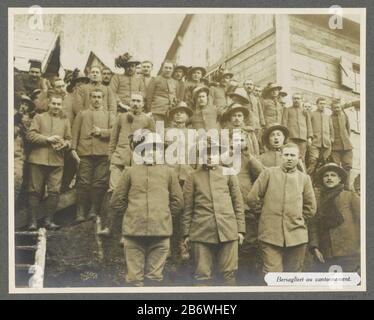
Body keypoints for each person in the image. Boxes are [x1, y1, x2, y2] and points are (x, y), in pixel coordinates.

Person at [110, 132, 184, 287]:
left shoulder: (169, 173)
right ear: (141, 152)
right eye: (147, 149)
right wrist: (132, 214)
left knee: (155, 278)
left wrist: (164, 215)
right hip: (133, 232)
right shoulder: (129, 172)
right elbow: (117, 201)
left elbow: (177, 202)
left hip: (161, 232)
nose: (151, 152)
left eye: (156, 148)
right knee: (134, 279)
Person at [181, 139, 245, 286]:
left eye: (214, 153)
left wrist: (240, 229)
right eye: (206, 153)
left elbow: (238, 203)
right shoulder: (193, 176)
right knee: (202, 275)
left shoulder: (229, 174)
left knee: (229, 274)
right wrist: (186, 233)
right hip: (201, 231)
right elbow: (187, 208)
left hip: (228, 229)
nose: (210, 157)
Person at [248, 143, 316, 274]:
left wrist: (297, 217)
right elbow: (252, 198)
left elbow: (311, 207)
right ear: (281, 156)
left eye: (292, 155)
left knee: (293, 276)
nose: (289, 158)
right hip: (270, 233)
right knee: (272, 274)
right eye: (286, 155)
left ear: (299, 158)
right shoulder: (268, 173)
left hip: (297, 235)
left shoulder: (304, 179)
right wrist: (264, 213)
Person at [26, 93, 72, 230]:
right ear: (48, 104)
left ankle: (49, 221)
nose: (56, 106)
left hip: (57, 161)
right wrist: (48, 139)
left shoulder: (65, 121)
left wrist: (66, 144)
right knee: (34, 191)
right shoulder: (39, 118)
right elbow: (30, 135)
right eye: (54, 103)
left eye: (59, 104)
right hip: (38, 160)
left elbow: (69, 139)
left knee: (54, 191)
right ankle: (32, 222)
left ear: (62, 105)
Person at [71, 88, 115, 223]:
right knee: (83, 182)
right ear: (90, 98)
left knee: (99, 183)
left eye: (99, 97)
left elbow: (114, 132)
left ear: (103, 99)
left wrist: (101, 131)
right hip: (84, 154)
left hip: (102, 154)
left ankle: (94, 210)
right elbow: (75, 133)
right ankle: (80, 212)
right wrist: (73, 150)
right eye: (94, 97)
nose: (96, 99)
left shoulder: (109, 115)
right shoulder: (82, 114)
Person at [309, 163, 360, 272]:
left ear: (340, 179)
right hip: (326, 253)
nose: (329, 178)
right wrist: (315, 248)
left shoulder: (349, 196)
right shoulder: (318, 199)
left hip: (350, 252)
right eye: (326, 176)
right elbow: (313, 225)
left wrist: (362, 247)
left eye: (333, 175)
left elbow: (363, 222)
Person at [281, 93, 313, 163]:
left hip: (303, 139)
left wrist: (309, 137)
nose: (296, 100)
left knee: (301, 158)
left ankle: (302, 173)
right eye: (295, 98)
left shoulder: (305, 111)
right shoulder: (287, 110)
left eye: (298, 98)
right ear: (292, 100)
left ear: (301, 100)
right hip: (291, 138)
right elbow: (284, 123)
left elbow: (309, 125)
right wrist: (285, 137)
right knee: (290, 156)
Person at [307, 97, 334, 177]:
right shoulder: (312, 114)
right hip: (315, 143)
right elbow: (309, 126)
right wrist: (310, 138)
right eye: (321, 104)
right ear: (317, 104)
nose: (322, 105)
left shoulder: (328, 116)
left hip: (326, 144)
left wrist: (331, 139)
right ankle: (308, 182)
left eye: (324, 104)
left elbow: (331, 129)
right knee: (313, 161)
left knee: (324, 163)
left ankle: (319, 184)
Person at [330, 98, 353, 189]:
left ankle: (346, 187)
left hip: (347, 146)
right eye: (335, 108)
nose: (337, 109)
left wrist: (346, 139)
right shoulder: (330, 118)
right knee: (336, 166)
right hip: (335, 147)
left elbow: (348, 129)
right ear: (332, 109)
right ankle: (337, 187)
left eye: (338, 107)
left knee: (347, 166)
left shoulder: (344, 116)